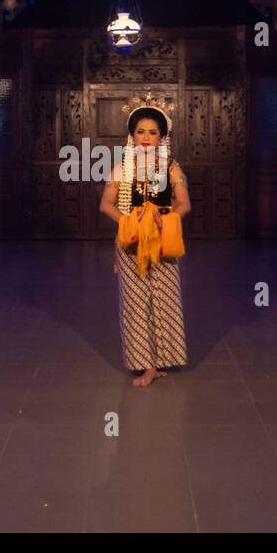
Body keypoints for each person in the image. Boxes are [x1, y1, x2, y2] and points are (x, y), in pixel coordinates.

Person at [98, 94, 191, 387]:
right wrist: (130, 222)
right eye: (141, 132)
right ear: (132, 135)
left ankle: (161, 359)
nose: (147, 138)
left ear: (162, 135)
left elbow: (184, 204)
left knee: (164, 300)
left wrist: (167, 218)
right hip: (132, 244)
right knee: (136, 304)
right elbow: (106, 205)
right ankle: (146, 365)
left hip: (163, 243)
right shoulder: (122, 169)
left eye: (153, 132)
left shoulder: (172, 169)